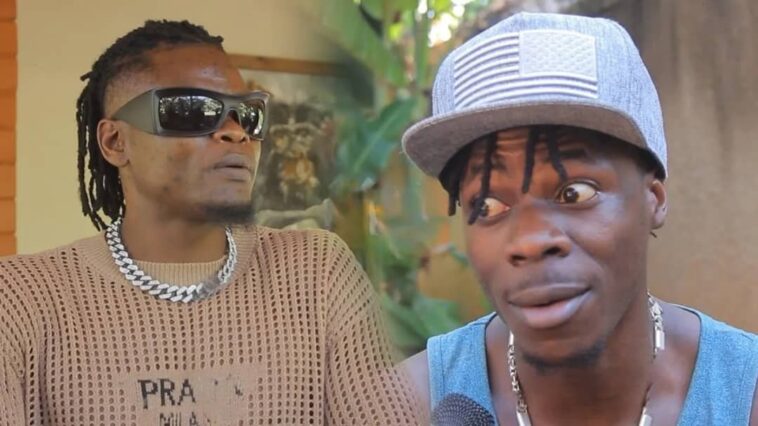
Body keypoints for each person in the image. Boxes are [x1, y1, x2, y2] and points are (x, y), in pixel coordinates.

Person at [0, 20, 419, 425]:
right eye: (193, 110)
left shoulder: (317, 274)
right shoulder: (21, 298)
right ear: (115, 141)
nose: (235, 133)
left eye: (248, 114)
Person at [401, 12, 758, 425]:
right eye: (487, 205)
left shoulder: (743, 397)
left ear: (654, 199)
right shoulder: (403, 407)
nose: (530, 240)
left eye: (575, 193)